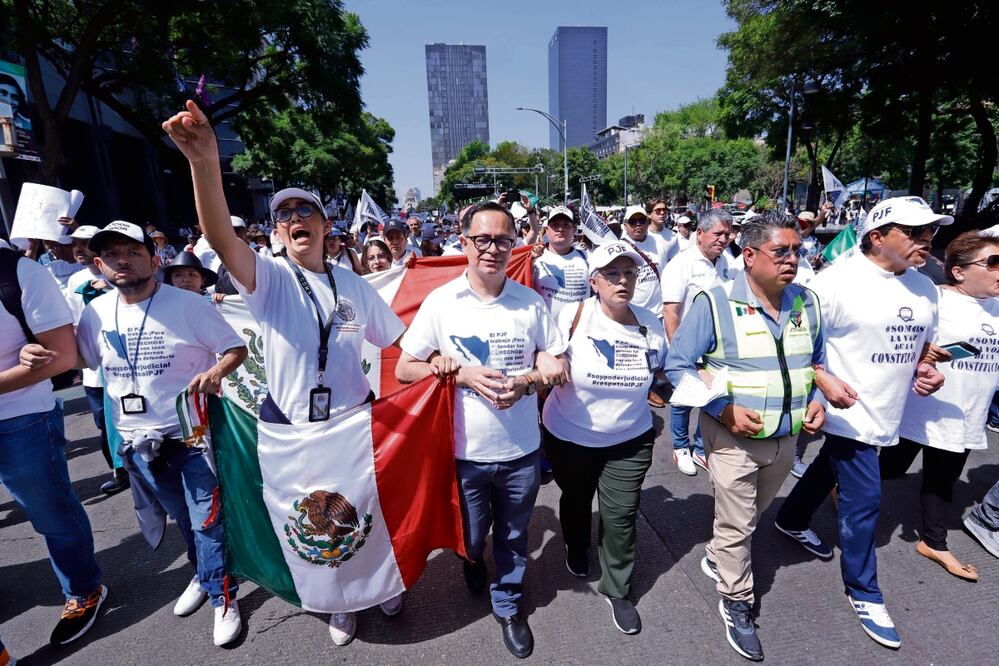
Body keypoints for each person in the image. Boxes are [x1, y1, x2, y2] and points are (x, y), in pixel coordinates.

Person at [162, 100, 409, 645]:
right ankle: (336, 602)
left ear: (326, 226)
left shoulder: (356, 287)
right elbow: (221, 236)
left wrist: (438, 364)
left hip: (350, 424)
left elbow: (399, 344)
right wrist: (205, 163)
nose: (295, 220)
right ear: (278, 231)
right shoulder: (269, 279)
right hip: (291, 428)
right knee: (313, 520)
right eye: (285, 215)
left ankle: (375, 586)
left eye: (305, 212)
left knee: (361, 508)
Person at [34, 221, 248, 646]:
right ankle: (202, 574)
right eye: (112, 255)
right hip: (136, 442)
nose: (122, 261)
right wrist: (30, 349)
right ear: (99, 265)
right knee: (183, 519)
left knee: (207, 520)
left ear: (154, 260)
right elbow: (82, 361)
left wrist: (214, 372)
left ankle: (222, 595)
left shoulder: (188, 305)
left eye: (132, 252)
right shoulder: (95, 313)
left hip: (191, 437)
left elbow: (235, 349)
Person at [775, 196, 950, 650]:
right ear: (877, 236)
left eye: (930, 230)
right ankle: (864, 590)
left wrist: (925, 370)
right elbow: (794, 343)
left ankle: (791, 517)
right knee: (865, 499)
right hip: (844, 408)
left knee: (830, 464)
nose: (926, 239)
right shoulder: (834, 283)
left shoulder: (927, 286)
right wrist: (820, 381)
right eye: (914, 232)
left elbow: (921, 348)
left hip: (890, 407)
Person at [395, 200, 567, 659]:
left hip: (521, 452)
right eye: (483, 239)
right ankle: (470, 559)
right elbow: (405, 370)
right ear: (464, 241)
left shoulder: (530, 302)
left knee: (513, 537)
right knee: (471, 536)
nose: (492, 249)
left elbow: (556, 362)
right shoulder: (441, 302)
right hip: (463, 453)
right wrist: (451, 370)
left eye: (503, 240)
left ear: (514, 246)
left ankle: (508, 604)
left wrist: (530, 380)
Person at [665, 211, 826, 661]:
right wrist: (722, 408)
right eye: (781, 251)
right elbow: (678, 367)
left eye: (797, 250)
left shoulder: (807, 303)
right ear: (749, 255)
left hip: (787, 438)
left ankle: (718, 554)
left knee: (750, 516)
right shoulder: (714, 303)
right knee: (738, 524)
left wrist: (819, 398)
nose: (792, 259)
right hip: (731, 441)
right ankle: (736, 599)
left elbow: (815, 361)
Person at [541, 240, 665, 635]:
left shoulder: (650, 322)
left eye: (628, 273)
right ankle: (576, 546)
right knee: (575, 500)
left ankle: (618, 588)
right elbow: (544, 356)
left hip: (630, 438)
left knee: (621, 515)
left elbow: (663, 371)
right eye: (612, 274)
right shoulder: (571, 316)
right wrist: (551, 359)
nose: (622, 281)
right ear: (595, 282)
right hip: (569, 436)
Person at [0, 245, 106, 653]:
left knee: (50, 514)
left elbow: (63, 356)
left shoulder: (19, 272)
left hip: (21, 418)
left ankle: (84, 589)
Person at [880, 231, 999, 580]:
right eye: (992, 263)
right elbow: (897, 341)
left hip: (967, 412)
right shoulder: (934, 300)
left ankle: (933, 541)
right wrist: (923, 355)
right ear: (959, 271)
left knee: (943, 479)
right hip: (922, 409)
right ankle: (841, 487)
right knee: (891, 468)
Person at [660, 208, 734, 475]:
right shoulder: (681, 265)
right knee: (684, 398)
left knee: (713, 396)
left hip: (719, 347)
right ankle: (681, 446)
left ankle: (702, 448)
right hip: (688, 347)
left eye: (728, 233)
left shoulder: (727, 262)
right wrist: (681, 354)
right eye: (718, 233)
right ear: (699, 234)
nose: (724, 239)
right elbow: (671, 312)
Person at [65, 225, 128, 494]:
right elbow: (72, 322)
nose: (80, 249)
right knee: (105, 423)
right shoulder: (74, 280)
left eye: (86, 243)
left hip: (125, 364)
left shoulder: (125, 276)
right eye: (75, 243)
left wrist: (111, 285)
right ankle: (119, 471)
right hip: (93, 370)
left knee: (131, 417)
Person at [619, 205, 679, 408]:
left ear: (647, 222)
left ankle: (652, 384)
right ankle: (645, 390)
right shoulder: (620, 247)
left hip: (657, 310)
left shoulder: (659, 243)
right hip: (631, 311)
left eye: (641, 221)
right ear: (625, 225)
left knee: (657, 350)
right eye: (633, 222)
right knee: (637, 354)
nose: (638, 225)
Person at [532, 205, 590, 320]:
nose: (560, 229)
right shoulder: (535, 258)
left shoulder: (587, 257)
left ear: (573, 229)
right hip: (545, 332)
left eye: (566, 225)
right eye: (555, 225)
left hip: (578, 331)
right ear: (547, 230)